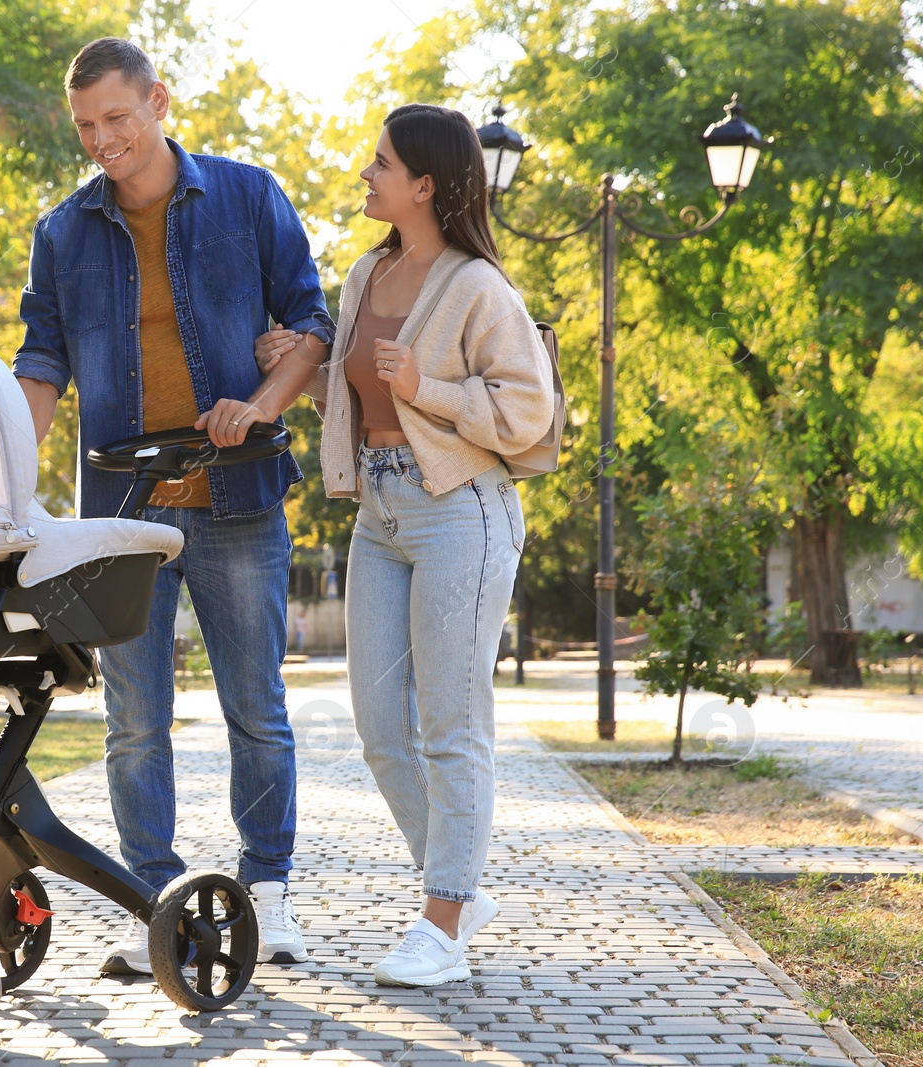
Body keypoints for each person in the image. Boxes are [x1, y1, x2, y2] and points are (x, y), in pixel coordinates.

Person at [13, 37, 334, 975]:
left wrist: (260, 406)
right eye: (85, 126)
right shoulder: (63, 231)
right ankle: (150, 901)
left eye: (117, 117)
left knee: (256, 712)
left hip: (238, 498)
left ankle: (266, 894)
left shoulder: (245, 197)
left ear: (159, 102)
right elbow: (41, 367)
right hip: (121, 512)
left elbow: (311, 323)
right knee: (134, 724)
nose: (102, 139)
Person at [256, 104, 554, 987]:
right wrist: (299, 369)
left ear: (424, 184)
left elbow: (524, 413)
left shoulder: (478, 287)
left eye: (381, 163)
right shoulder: (363, 276)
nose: (367, 173)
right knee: (381, 727)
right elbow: (360, 399)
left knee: (452, 723)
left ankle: (443, 921)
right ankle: (458, 883)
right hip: (378, 514)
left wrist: (436, 386)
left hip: (462, 508)